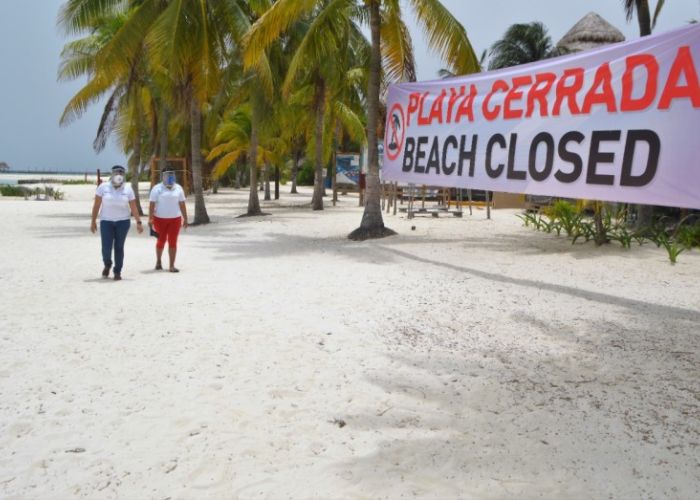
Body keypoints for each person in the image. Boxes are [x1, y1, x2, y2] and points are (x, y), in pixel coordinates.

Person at [90, 165, 143, 280]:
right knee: (106, 247)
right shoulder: (103, 187)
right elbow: (97, 205)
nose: (118, 175)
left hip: (123, 222)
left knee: (119, 247)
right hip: (106, 221)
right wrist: (93, 221)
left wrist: (138, 222)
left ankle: (117, 271)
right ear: (112, 174)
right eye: (116, 172)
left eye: (121, 173)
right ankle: (107, 263)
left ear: (123, 175)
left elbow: (133, 207)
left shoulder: (128, 189)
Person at [148, 170, 188, 272]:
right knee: (161, 240)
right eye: (167, 174)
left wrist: (185, 218)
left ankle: (171, 266)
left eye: (172, 174)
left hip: (175, 219)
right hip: (159, 219)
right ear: (163, 176)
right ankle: (158, 261)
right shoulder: (157, 188)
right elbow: (152, 204)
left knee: (173, 241)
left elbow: (182, 204)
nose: (170, 176)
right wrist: (150, 218)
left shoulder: (178, 188)